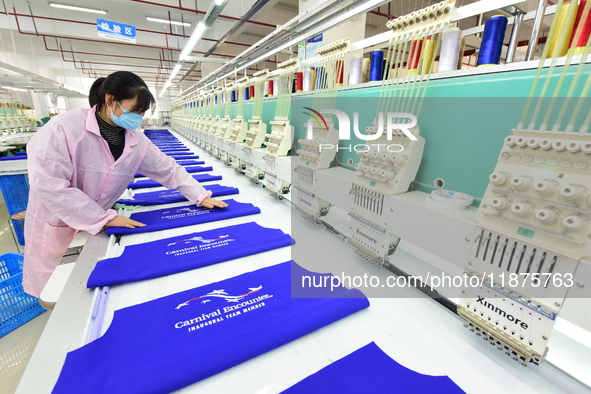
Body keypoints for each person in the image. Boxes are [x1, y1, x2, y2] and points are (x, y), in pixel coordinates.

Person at [23, 71, 228, 298]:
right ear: (110, 100)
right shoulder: (65, 127)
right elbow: (49, 185)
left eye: (142, 112)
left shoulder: (135, 139)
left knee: (90, 287)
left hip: (97, 221)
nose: (139, 117)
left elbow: (167, 168)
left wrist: (200, 194)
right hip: (56, 222)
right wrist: (105, 218)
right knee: (58, 294)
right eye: (136, 110)